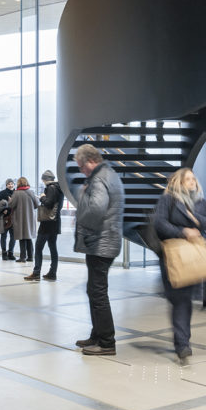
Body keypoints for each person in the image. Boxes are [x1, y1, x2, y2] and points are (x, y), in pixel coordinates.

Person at [151, 168, 206, 363]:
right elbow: (160, 224)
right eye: (187, 179)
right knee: (179, 300)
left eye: (193, 179)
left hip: (193, 258)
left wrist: (197, 220)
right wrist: (183, 232)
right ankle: (182, 343)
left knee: (184, 301)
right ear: (179, 182)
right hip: (174, 256)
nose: (192, 182)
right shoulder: (168, 199)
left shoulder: (200, 202)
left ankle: (183, 343)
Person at [73, 144, 124, 356]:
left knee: (98, 292)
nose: (81, 171)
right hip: (104, 241)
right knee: (94, 290)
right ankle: (97, 334)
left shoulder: (99, 178)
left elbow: (95, 209)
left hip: (101, 243)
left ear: (90, 162)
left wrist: (82, 197)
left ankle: (106, 342)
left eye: (81, 166)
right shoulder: (108, 174)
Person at [27, 170, 62, 280]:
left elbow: (48, 203)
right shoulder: (59, 188)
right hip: (55, 222)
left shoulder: (51, 188)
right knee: (53, 247)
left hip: (47, 223)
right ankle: (52, 272)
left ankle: (36, 272)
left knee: (38, 248)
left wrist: (42, 197)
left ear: (44, 179)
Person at [10, 176, 39, 268]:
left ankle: (22, 257)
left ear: (18, 183)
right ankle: (30, 257)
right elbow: (37, 204)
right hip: (30, 218)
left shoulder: (16, 193)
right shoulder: (31, 192)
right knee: (29, 237)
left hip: (20, 218)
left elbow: (11, 205)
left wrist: (9, 200)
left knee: (22, 237)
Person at [0, 178, 16, 260]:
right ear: (6, 185)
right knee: (4, 236)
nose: (10, 185)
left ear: (14, 185)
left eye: (12, 184)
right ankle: (4, 253)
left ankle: (11, 253)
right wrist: (3, 210)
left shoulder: (16, 193)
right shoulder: (2, 193)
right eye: (9, 184)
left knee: (13, 236)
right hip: (4, 219)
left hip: (14, 218)